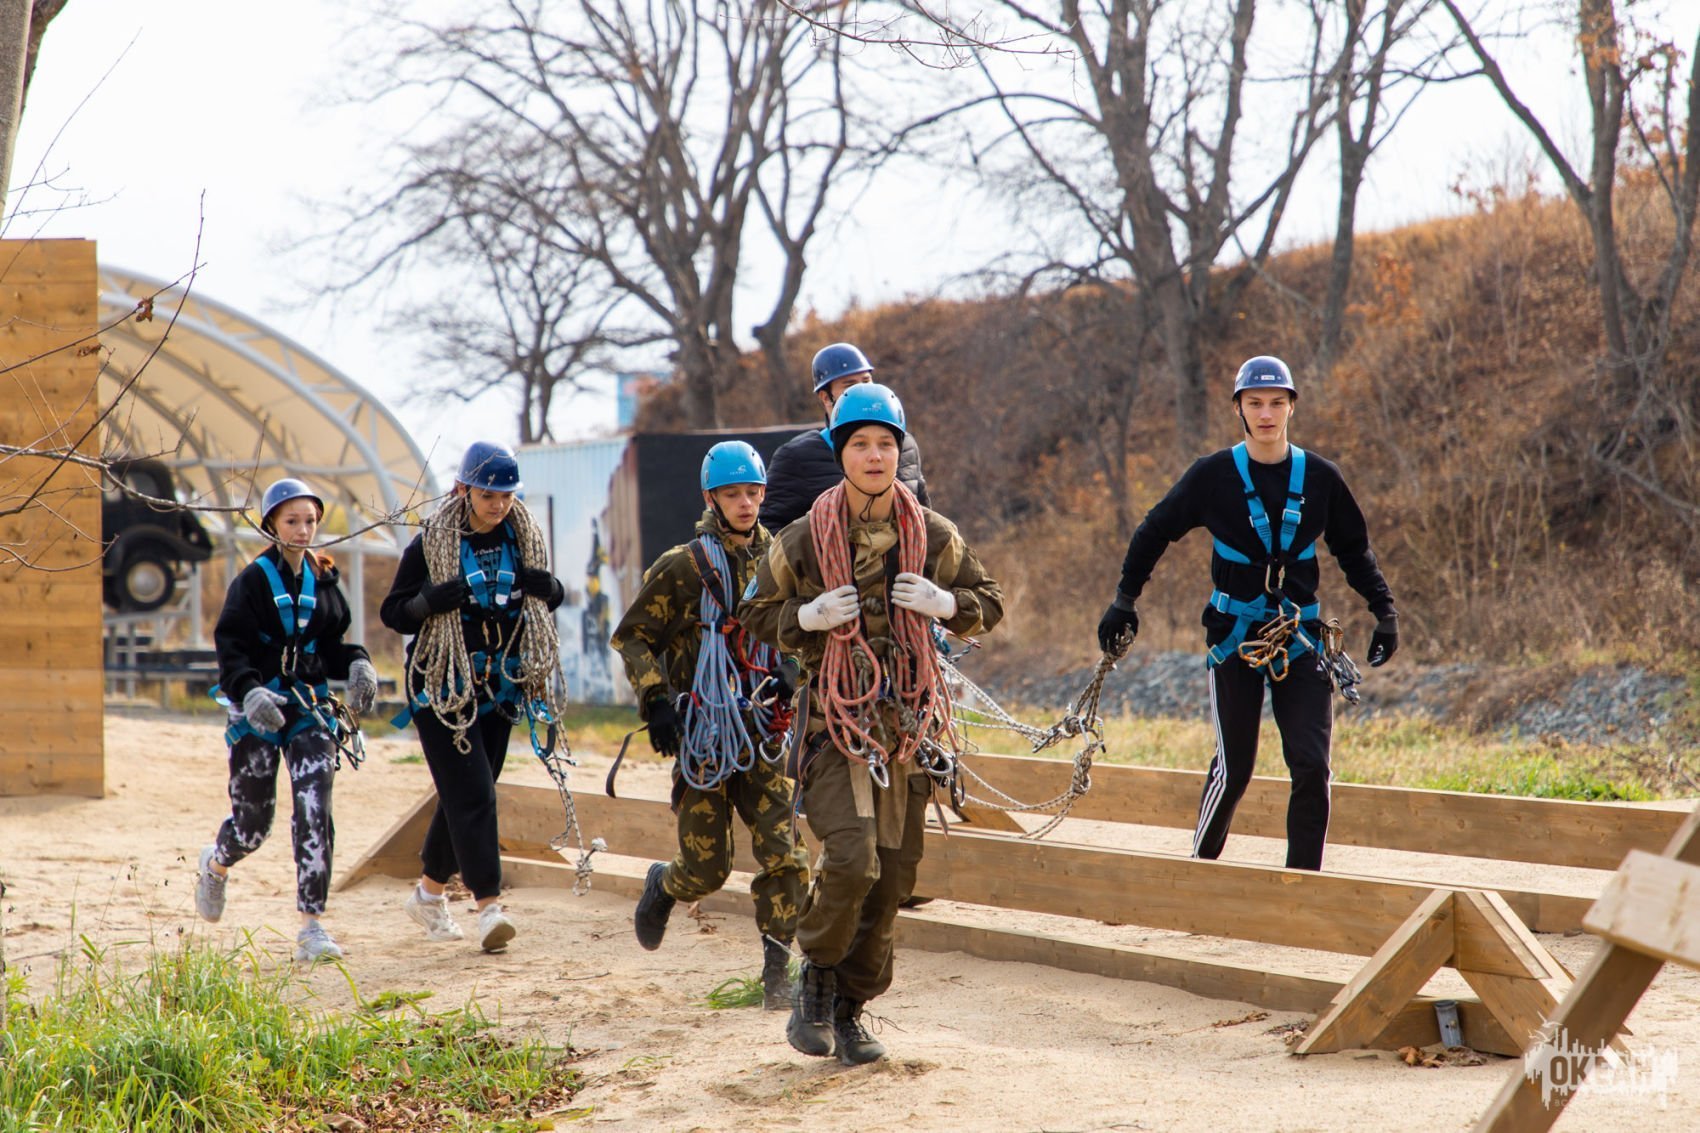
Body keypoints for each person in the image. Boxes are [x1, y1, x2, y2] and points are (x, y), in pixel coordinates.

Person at [743, 383, 1003, 1066]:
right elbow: (754, 611)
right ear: (841, 452)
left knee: (892, 878)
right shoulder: (805, 536)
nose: (874, 455)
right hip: (835, 724)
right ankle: (816, 979)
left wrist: (945, 603)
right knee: (852, 858)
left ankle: (851, 1009)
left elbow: (989, 600)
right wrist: (806, 616)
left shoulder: (932, 533)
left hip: (907, 728)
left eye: (886, 443)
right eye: (860, 443)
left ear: (899, 450)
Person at [1096, 356, 1398, 872]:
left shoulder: (1321, 478)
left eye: (1277, 403)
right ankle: (1200, 870)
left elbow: (1354, 550)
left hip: (1300, 638)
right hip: (1234, 637)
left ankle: (1303, 886)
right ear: (1238, 408)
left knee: (1312, 766)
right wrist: (1125, 599)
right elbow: (1154, 531)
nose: (1266, 414)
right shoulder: (1212, 476)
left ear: (1292, 407)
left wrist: (1383, 610)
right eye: (1255, 403)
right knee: (1235, 769)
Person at [610, 441, 809, 1010]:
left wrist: (793, 669)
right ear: (711, 498)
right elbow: (633, 637)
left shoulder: (784, 560)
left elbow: (806, 629)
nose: (745, 503)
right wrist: (656, 700)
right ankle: (664, 884)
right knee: (705, 870)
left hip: (763, 732)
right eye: (732, 494)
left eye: (753, 492)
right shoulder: (683, 567)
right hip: (705, 736)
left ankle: (777, 975)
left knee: (786, 857)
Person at [380, 441, 566, 952]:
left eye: (507, 496)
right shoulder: (430, 544)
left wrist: (550, 589)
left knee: (465, 796)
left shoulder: (522, 538)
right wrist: (425, 603)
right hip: (442, 690)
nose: (499, 505)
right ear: (463, 489)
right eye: (488, 495)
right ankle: (489, 908)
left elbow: (549, 600)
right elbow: (393, 613)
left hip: (500, 686)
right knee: (476, 796)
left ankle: (427, 895)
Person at [195, 477, 379, 964]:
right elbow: (230, 648)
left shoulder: (324, 578)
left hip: (308, 710)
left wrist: (358, 662)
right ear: (272, 525)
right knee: (253, 826)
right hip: (256, 711)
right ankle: (217, 863)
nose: (303, 530)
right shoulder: (251, 582)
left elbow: (332, 645)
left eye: (310, 521)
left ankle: (311, 927)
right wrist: (249, 690)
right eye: (292, 521)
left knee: (315, 808)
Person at [758, 343, 929, 531]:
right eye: (850, 385)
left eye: (866, 381)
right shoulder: (796, 457)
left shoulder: (904, 444)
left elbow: (923, 516)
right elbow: (770, 527)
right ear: (825, 397)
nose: (861, 390)